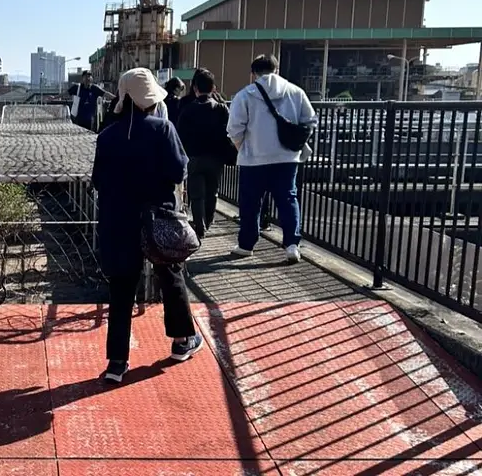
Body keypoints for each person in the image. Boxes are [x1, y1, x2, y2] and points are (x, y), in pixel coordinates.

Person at [91, 67, 203, 384]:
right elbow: (179, 171)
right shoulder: (163, 129)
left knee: (122, 290)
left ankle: (116, 361)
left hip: (118, 221)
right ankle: (182, 341)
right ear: (149, 100)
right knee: (171, 275)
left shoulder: (107, 136)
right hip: (159, 218)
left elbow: (98, 180)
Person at [228, 54, 318, 264]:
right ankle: (292, 245)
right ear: (277, 70)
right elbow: (310, 120)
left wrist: (243, 147)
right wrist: (295, 142)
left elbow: (234, 128)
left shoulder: (246, 95)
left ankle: (246, 245)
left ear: (253, 74)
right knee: (288, 199)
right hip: (287, 157)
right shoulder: (296, 92)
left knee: (251, 203)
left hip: (254, 158)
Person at [177, 69, 230, 239]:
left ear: (195, 88)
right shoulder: (222, 109)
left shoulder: (187, 109)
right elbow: (229, 132)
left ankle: (200, 226)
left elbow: (180, 136)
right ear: (213, 88)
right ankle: (208, 221)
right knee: (212, 191)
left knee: (197, 194)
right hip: (216, 157)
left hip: (194, 157)